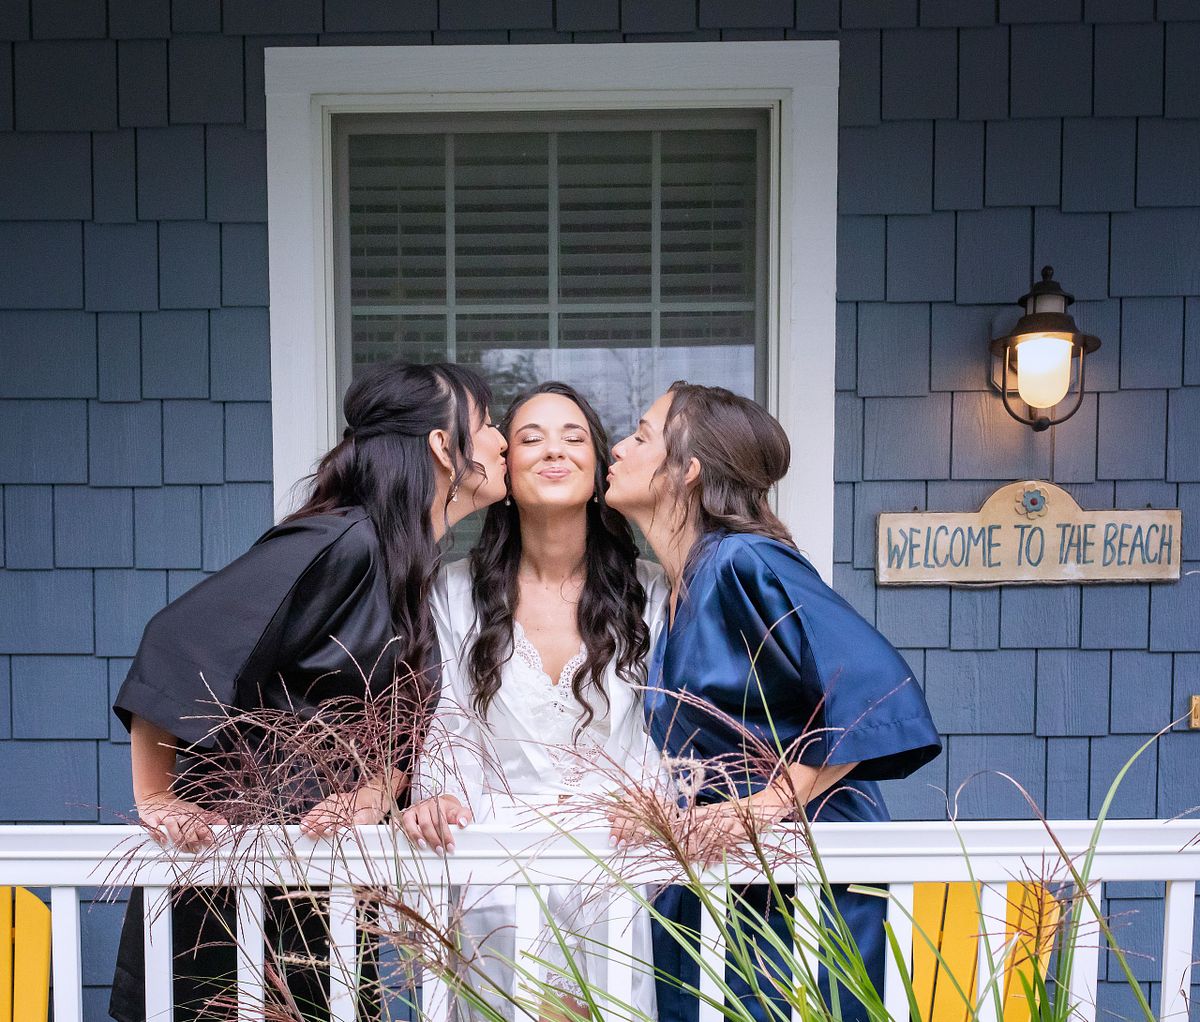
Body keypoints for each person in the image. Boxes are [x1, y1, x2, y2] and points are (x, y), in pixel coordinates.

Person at [108, 360, 508, 1022]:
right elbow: (179, 640)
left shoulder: (405, 564)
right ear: (443, 445)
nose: (498, 441)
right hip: (234, 886)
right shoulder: (344, 539)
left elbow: (396, 724)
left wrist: (374, 792)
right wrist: (157, 797)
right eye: (489, 424)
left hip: (323, 892)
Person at [604, 382, 942, 1022]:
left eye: (642, 435)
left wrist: (762, 808)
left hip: (799, 869)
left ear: (689, 470)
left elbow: (872, 690)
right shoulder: (676, 592)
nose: (617, 448)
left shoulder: (745, 559)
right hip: (717, 870)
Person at [402, 382, 668, 1022]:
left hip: (610, 875)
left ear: (600, 465)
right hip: (489, 871)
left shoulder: (652, 593)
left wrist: (656, 799)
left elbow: (673, 724)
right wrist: (430, 796)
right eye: (530, 438)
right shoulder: (451, 592)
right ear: (504, 470)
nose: (555, 451)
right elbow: (442, 720)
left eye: (574, 437)